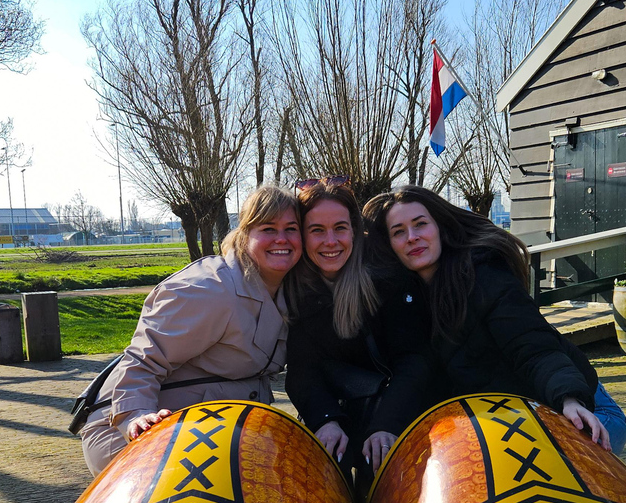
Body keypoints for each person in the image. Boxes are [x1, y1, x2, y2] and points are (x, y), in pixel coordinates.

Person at [363, 185, 624, 452]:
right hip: (504, 422)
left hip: (579, 405)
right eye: (398, 232)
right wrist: (385, 426)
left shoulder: (485, 275)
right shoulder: (404, 301)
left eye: (420, 225)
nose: (412, 237)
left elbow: (532, 346)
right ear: (389, 245)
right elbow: (412, 370)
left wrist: (569, 400)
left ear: (440, 227)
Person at [80, 185, 302, 476]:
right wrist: (135, 415)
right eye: (268, 228)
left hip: (208, 433)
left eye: (291, 228)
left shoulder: (290, 291)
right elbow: (143, 360)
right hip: (135, 430)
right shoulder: (211, 288)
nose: (282, 238)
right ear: (246, 233)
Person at [285, 177, 430, 495]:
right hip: (335, 409)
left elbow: (415, 361)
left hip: (392, 407)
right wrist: (324, 420)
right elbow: (301, 369)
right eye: (317, 230)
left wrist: (387, 425)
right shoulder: (297, 287)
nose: (330, 241)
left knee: (384, 476)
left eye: (340, 228)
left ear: (354, 230)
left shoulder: (387, 279)